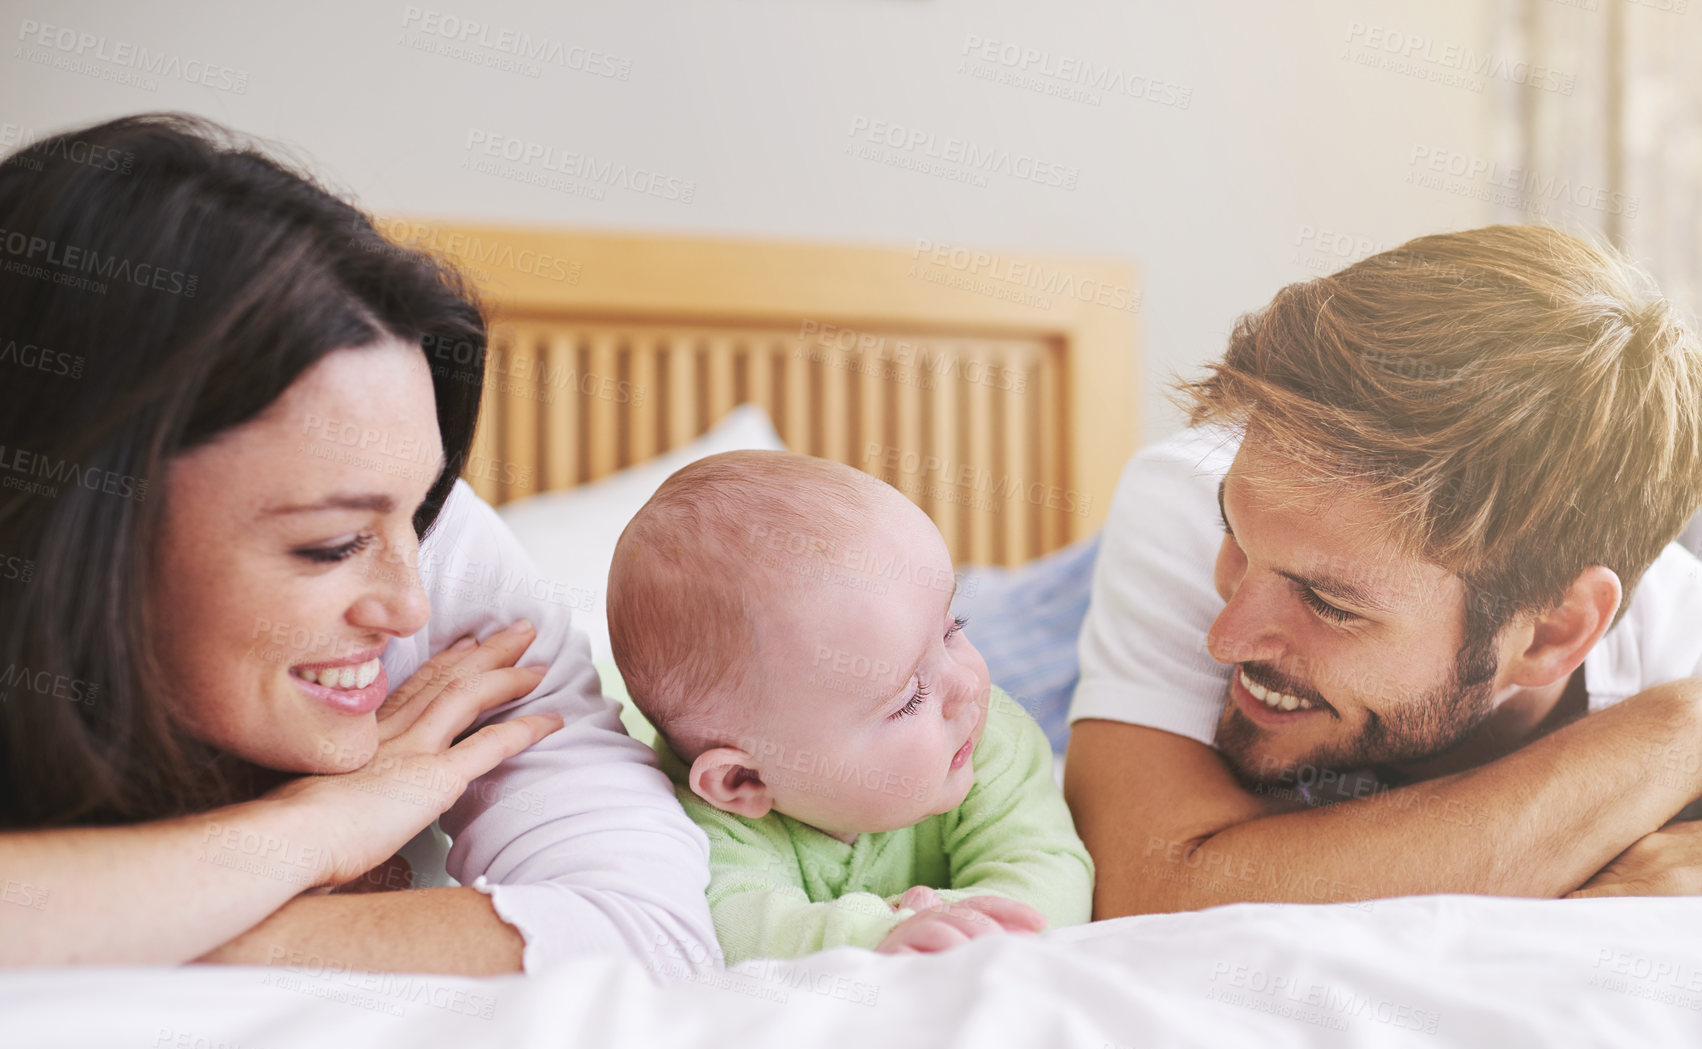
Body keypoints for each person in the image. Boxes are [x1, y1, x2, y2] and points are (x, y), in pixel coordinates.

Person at [0, 114, 716, 974]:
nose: (408, 603)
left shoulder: (451, 578)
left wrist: (143, 923)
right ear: (77, 517)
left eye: (418, 514)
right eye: (330, 545)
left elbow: (647, 940)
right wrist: (309, 834)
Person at [1065, 225, 1702, 918]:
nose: (1226, 640)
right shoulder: (1184, 496)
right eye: (1236, 538)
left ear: (1553, 632)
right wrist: (1678, 731)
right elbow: (1154, 887)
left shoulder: (1678, 641)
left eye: (1331, 604)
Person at [605, 451, 1093, 964]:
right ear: (742, 782)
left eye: (953, 631)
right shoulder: (695, 826)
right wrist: (880, 933)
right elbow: (730, 928)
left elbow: (1051, 871)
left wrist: (954, 917)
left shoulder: (989, 736)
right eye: (908, 700)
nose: (965, 686)